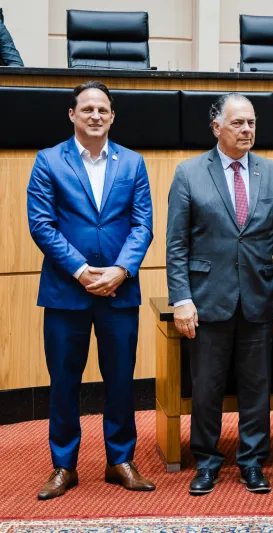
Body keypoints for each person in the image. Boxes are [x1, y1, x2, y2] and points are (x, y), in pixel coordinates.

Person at [27, 81, 155, 499]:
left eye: (103, 109)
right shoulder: (48, 161)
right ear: (72, 115)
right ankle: (64, 466)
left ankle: (120, 460)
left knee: (120, 380)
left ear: (112, 116)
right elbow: (41, 225)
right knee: (64, 381)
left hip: (120, 290)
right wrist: (82, 271)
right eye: (88, 109)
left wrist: (120, 269)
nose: (96, 116)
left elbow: (142, 225)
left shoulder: (133, 163)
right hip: (67, 292)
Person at [166, 93, 273, 496]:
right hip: (206, 300)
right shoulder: (189, 173)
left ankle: (252, 462)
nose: (247, 130)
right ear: (216, 126)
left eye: (252, 123)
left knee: (257, 388)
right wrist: (181, 298)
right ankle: (206, 461)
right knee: (206, 388)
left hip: (258, 298)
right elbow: (177, 245)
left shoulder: (272, 174)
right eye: (238, 123)